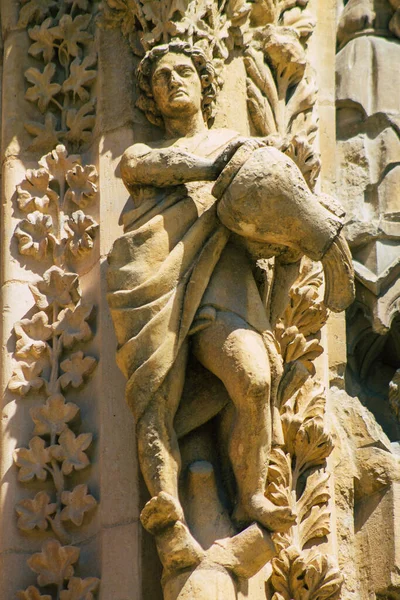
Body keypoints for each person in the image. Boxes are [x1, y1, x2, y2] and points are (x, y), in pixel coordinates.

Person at [107, 41, 354, 534]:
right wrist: (223, 165)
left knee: (256, 380)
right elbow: (148, 169)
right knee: (157, 393)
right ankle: (165, 504)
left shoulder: (239, 149)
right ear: (151, 98)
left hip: (224, 290)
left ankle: (252, 497)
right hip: (154, 287)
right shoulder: (147, 154)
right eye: (162, 78)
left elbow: (271, 240)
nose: (174, 81)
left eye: (183, 71)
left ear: (204, 84)